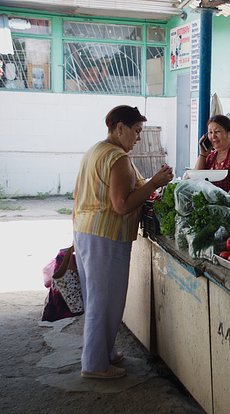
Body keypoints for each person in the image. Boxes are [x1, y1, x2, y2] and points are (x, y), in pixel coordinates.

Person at [72, 105, 173, 379]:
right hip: (105, 236)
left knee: (101, 298)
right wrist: (155, 183)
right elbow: (121, 205)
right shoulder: (117, 158)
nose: (138, 138)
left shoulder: (96, 150)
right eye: (136, 131)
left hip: (86, 231)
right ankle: (94, 364)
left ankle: (104, 352)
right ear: (120, 128)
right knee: (103, 301)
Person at [194, 115, 230, 200]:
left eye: (217, 132)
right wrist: (203, 155)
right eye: (210, 132)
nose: (213, 136)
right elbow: (196, 180)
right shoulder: (211, 156)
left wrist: (224, 207)